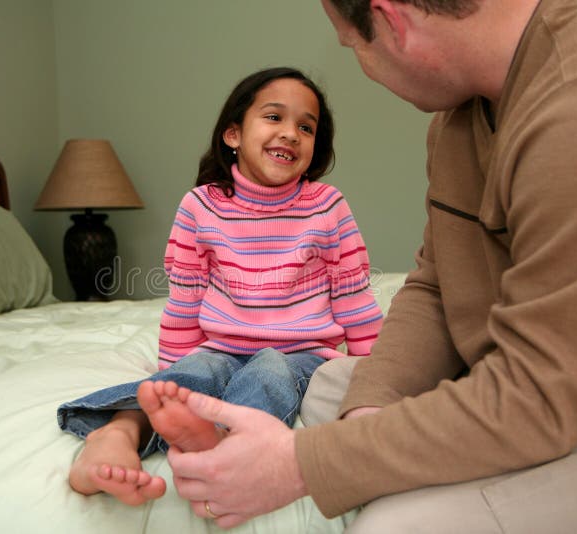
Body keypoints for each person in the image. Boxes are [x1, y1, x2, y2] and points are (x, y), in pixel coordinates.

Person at [163, 0, 577, 531]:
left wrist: (303, 465)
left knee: (395, 522)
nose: (362, 68)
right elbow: (438, 286)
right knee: (331, 388)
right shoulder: (460, 116)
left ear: (391, 22)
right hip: (533, 390)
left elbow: (538, 392)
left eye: (353, 47)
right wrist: (371, 411)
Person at [57, 66, 383, 506]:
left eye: (306, 127)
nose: (290, 133)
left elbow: (353, 296)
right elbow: (185, 299)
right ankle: (116, 434)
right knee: (195, 375)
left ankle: (225, 446)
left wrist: (375, 378)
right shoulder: (201, 206)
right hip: (220, 346)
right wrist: (170, 376)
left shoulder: (327, 207)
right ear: (233, 134)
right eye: (274, 117)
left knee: (271, 369)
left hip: (301, 353)